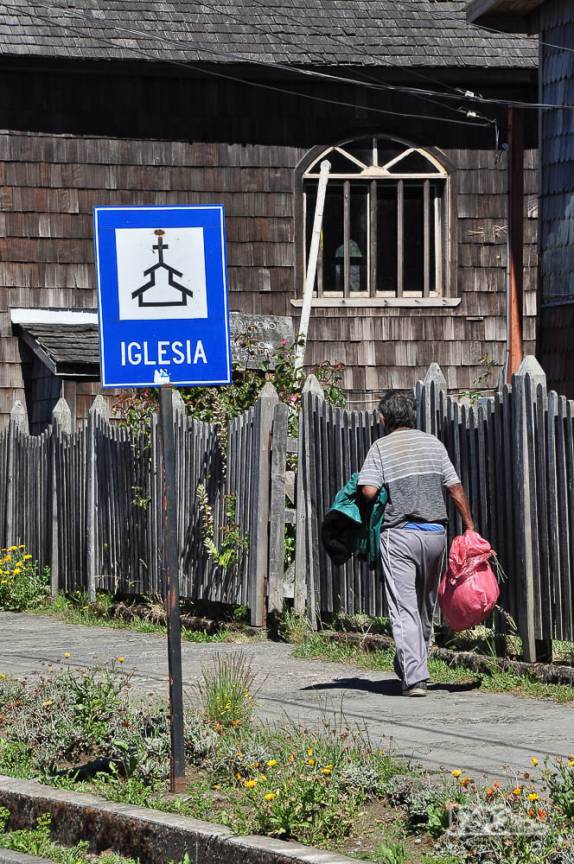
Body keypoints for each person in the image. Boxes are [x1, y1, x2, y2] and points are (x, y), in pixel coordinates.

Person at [358, 391, 475, 697]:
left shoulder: (381, 447)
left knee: (404, 607)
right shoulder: (433, 444)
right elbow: (455, 488)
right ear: (411, 415)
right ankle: (411, 663)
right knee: (425, 605)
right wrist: (469, 525)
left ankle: (414, 678)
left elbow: (368, 491)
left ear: (384, 418)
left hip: (400, 535)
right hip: (435, 535)